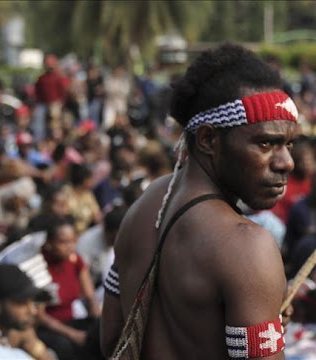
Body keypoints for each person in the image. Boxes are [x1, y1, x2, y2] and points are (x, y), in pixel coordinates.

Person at [100, 44, 298, 359]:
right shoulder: (247, 248)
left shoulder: (146, 205)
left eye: (288, 144)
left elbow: (111, 338)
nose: (286, 162)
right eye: (266, 143)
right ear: (208, 139)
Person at [37, 218, 102, 360]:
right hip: (49, 327)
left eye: (73, 241)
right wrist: (73, 334)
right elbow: (40, 315)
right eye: (63, 242)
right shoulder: (39, 265)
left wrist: (97, 322)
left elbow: (90, 297)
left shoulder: (75, 259)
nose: (70, 246)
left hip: (71, 320)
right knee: (65, 346)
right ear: (49, 243)